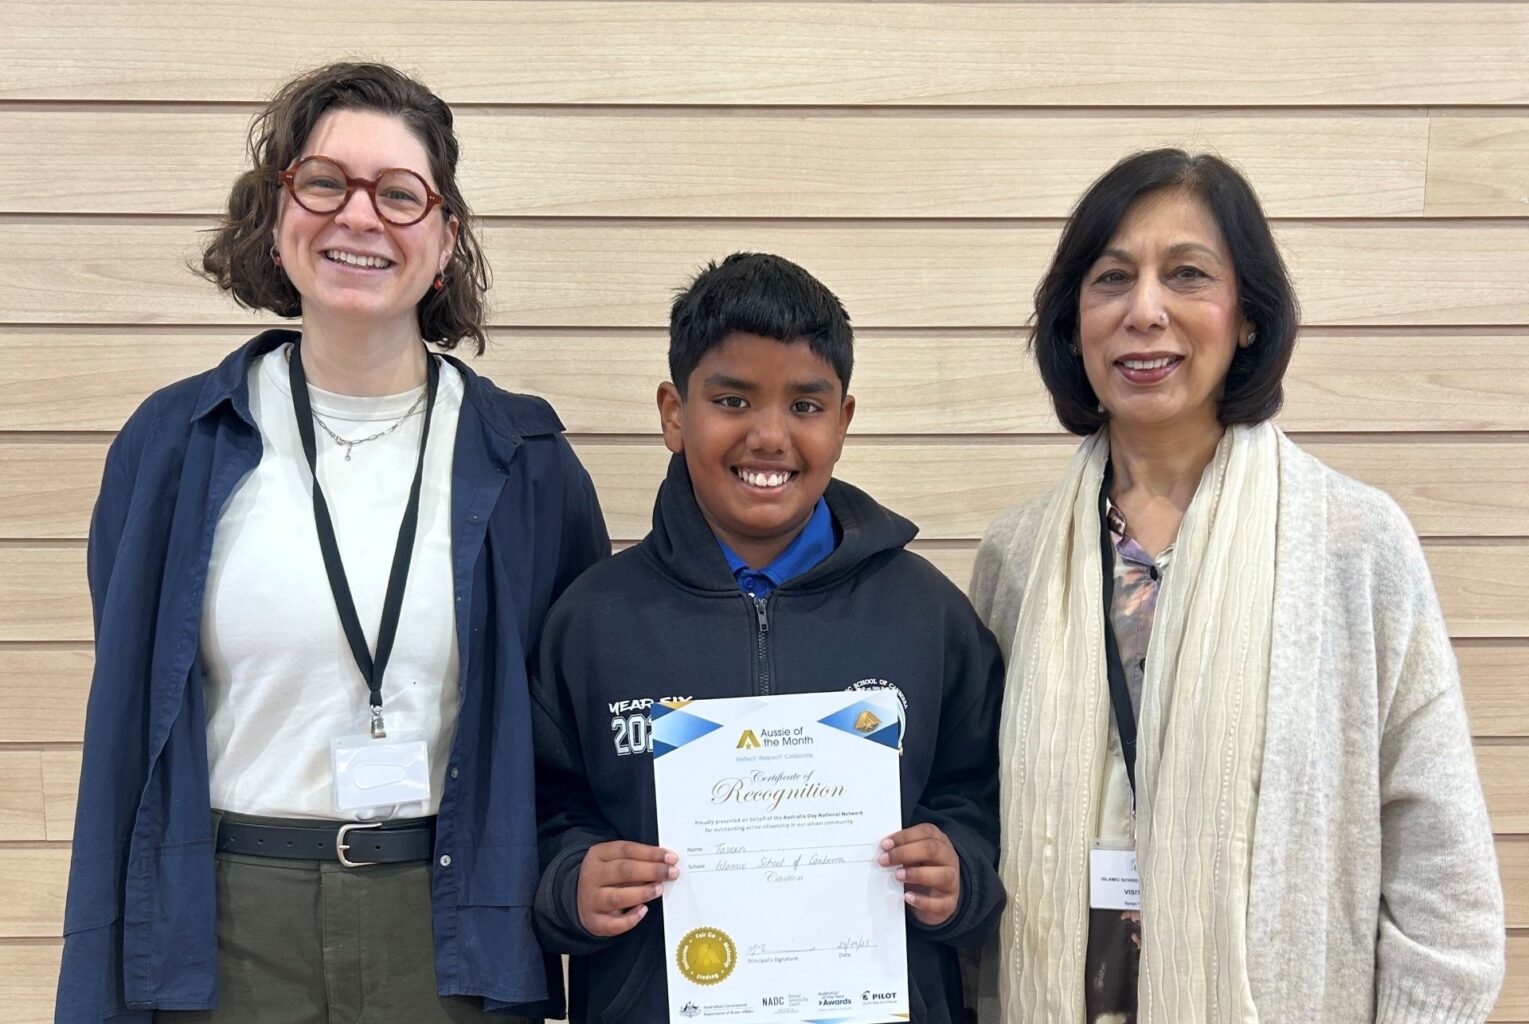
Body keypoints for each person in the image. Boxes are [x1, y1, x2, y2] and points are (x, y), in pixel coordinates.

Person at [56, 62, 608, 1024]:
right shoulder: (175, 445)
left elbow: (567, 721)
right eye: (324, 182)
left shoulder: (526, 462)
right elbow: (137, 699)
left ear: (446, 237)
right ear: (276, 215)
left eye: (399, 194)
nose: (359, 217)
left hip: (450, 927)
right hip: (227, 924)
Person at [971, 149, 1505, 1023]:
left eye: (1185, 275)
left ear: (1247, 316)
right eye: (1111, 279)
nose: (1144, 311)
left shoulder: (1352, 543)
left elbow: (1440, 869)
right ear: (1073, 323)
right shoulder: (1018, 554)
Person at [531, 252, 1005, 1023]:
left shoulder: (925, 614)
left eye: (805, 406)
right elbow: (542, 811)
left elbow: (979, 795)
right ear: (673, 414)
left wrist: (960, 870)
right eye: (732, 399)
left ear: (844, 420)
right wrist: (569, 882)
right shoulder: (590, 622)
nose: (769, 435)